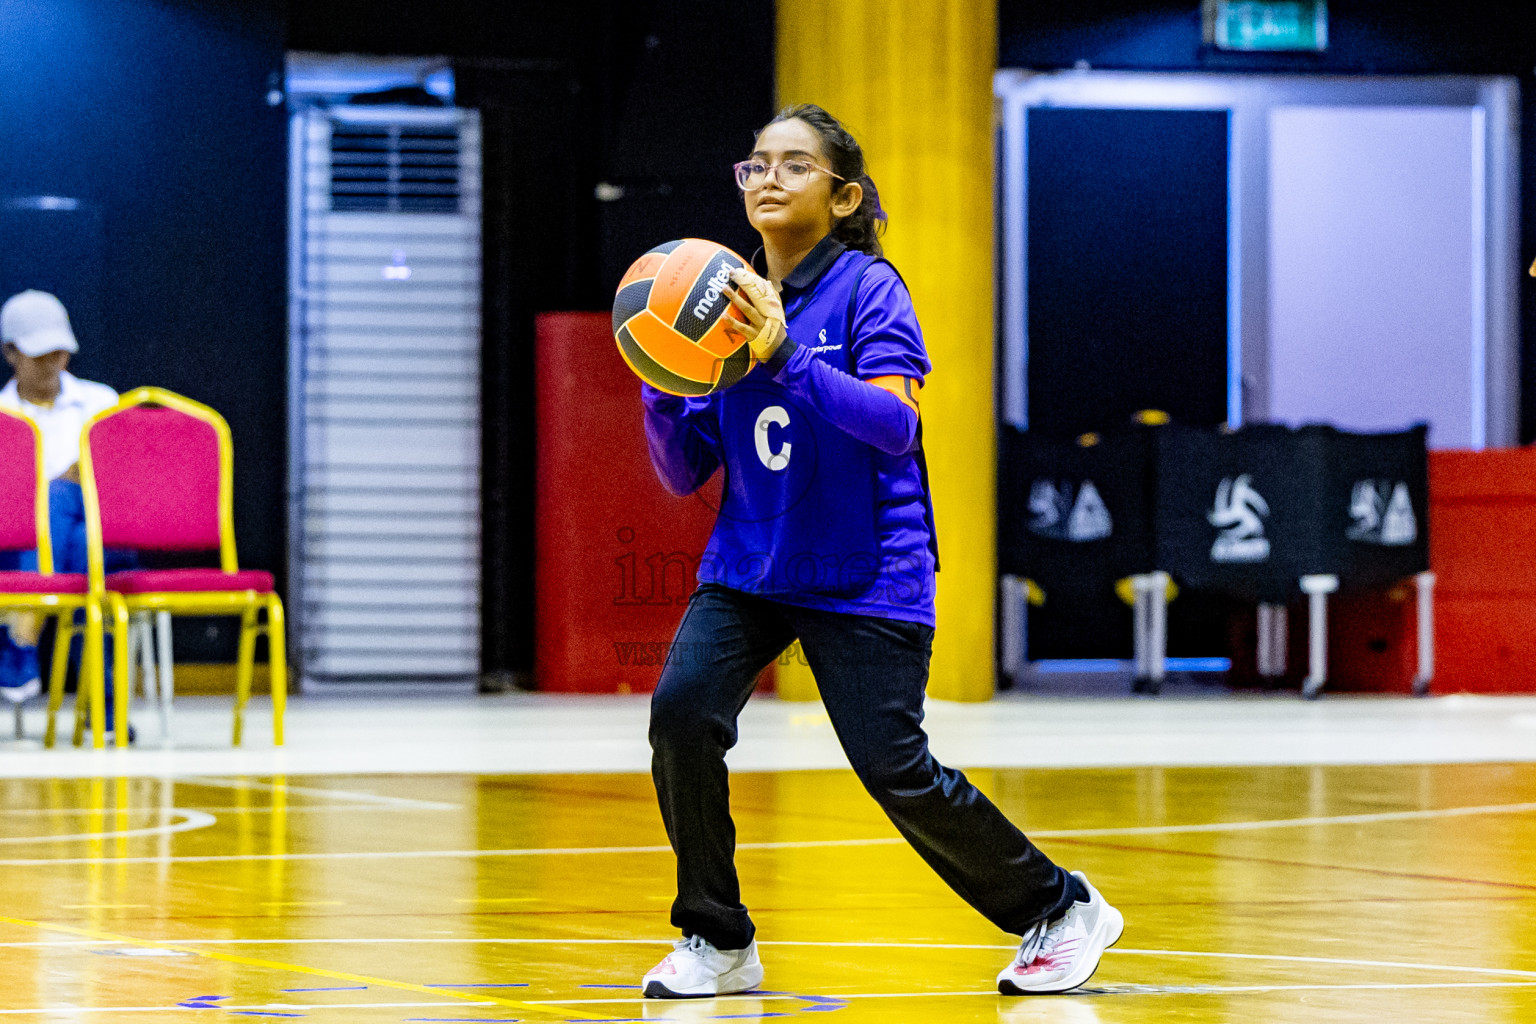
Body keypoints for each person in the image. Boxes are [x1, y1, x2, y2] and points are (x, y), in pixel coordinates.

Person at [637, 104, 1123, 1000]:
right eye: (756, 165)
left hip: (868, 563)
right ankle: (717, 937)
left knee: (894, 768)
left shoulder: (867, 287)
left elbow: (897, 425)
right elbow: (681, 474)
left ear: (844, 194)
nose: (770, 177)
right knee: (680, 716)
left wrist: (785, 357)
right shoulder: (720, 303)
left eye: (795, 164)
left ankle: (1061, 907)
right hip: (752, 563)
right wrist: (661, 390)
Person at [0, 290, 122, 726]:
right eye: (40, 354)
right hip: (22, 544)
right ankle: (103, 706)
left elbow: (125, 485)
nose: (53, 362)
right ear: (11, 352)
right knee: (70, 538)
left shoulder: (102, 401)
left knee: (66, 512)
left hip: (104, 531)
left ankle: (21, 633)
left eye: (60, 352)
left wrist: (81, 476)